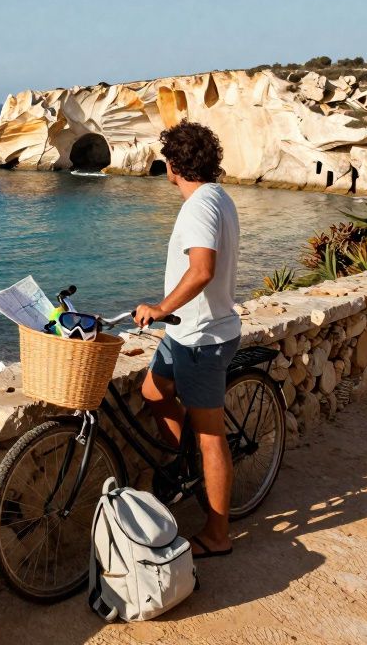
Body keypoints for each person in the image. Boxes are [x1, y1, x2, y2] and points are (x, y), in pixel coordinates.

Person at [133, 121, 241, 559]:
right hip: (186, 331)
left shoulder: (199, 206)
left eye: (167, 160)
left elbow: (201, 270)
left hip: (201, 337)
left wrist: (160, 308)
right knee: (152, 391)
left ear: (174, 164)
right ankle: (184, 468)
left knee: (210, 436)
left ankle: (217, 534)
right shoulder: (218, 197)